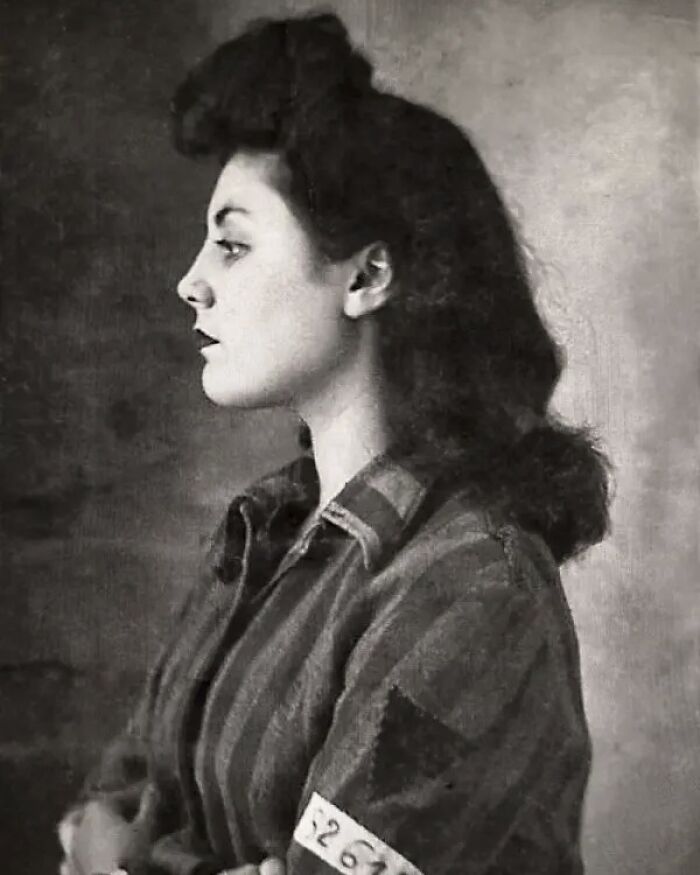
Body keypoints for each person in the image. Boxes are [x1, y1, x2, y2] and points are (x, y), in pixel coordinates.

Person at [58, 11, 610, 875]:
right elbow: (108, 799)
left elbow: (109, 846)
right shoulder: (263, 529)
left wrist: (124, 867)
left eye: (232, 245)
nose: (189, 282)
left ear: (366, 274)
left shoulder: (473, 586)